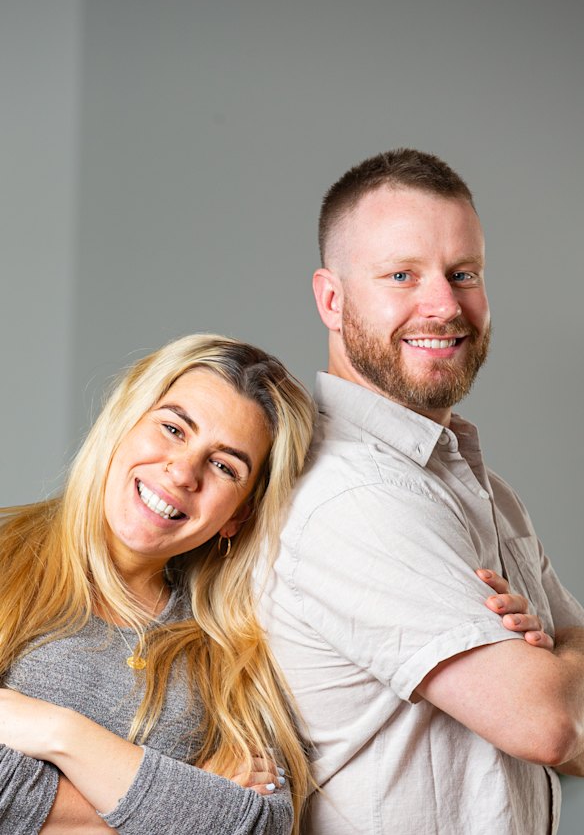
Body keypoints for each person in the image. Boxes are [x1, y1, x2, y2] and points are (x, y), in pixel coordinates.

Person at [259, 149, 584, 834]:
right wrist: (558, 664)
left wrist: (563, 660)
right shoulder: (351, 495)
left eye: (463, 274)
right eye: (401, 275)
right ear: (331, 298)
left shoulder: (482, 487)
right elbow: (551, 728)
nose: (443, 304)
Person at [0, 333, 316, 834]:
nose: (184, 471)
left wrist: (60, 733)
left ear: (239, 515)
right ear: (124, 422)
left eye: (223, 465)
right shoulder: (6, 562)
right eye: (173, 428)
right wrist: (187, 791)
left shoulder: (237, 655)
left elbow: (260, 826)